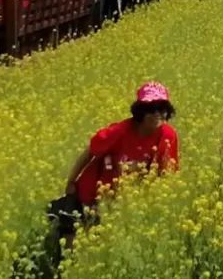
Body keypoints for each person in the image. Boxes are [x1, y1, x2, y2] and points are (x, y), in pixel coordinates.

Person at [66, 82, 179, 214]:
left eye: (162, 109)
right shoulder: (118, 131)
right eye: (151, 109)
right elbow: (89, 153)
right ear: (140, 111)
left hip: (131, 201)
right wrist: (71, 182)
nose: (157, 114)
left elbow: (167, 172)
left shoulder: (168, 135)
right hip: (95, 196)